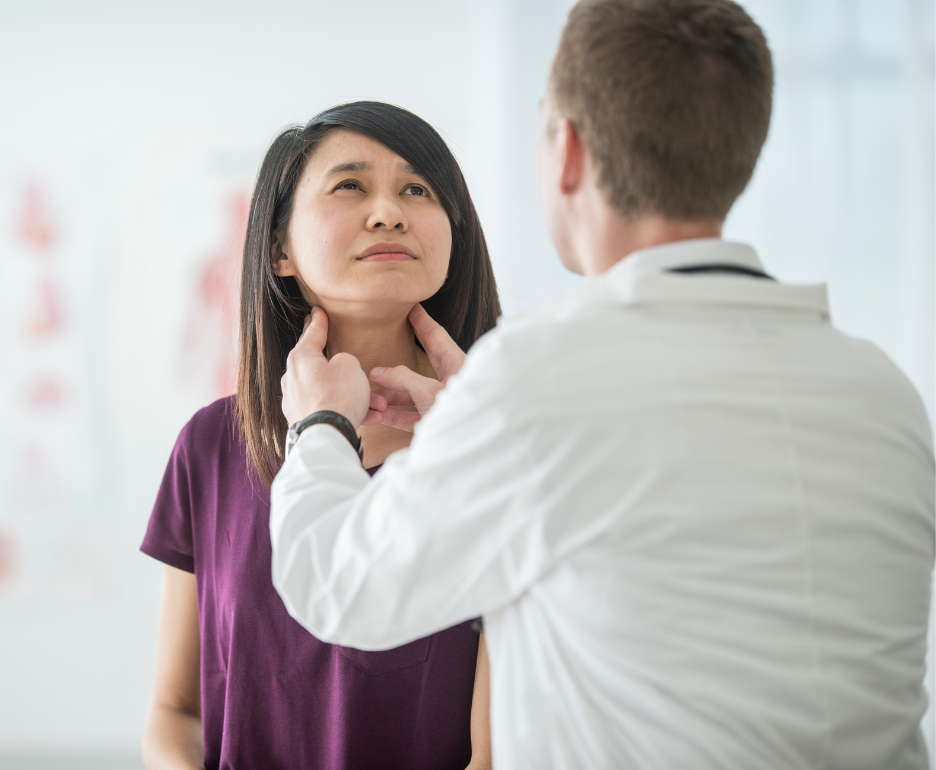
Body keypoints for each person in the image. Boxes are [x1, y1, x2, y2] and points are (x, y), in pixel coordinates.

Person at [270, 1, 936, 769]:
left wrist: (319, 425)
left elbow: (338, 586)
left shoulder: (537, 379)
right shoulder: (882, 392)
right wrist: (474, 426)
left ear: (570, 152)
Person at [140, 101, 500, 770]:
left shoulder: (495, 450)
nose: (388, 212)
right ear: (279, 248)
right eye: (350, 186)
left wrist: (483, 444)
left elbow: (499, 752)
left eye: (417, 190)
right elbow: (174, 713)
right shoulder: (211, 446)